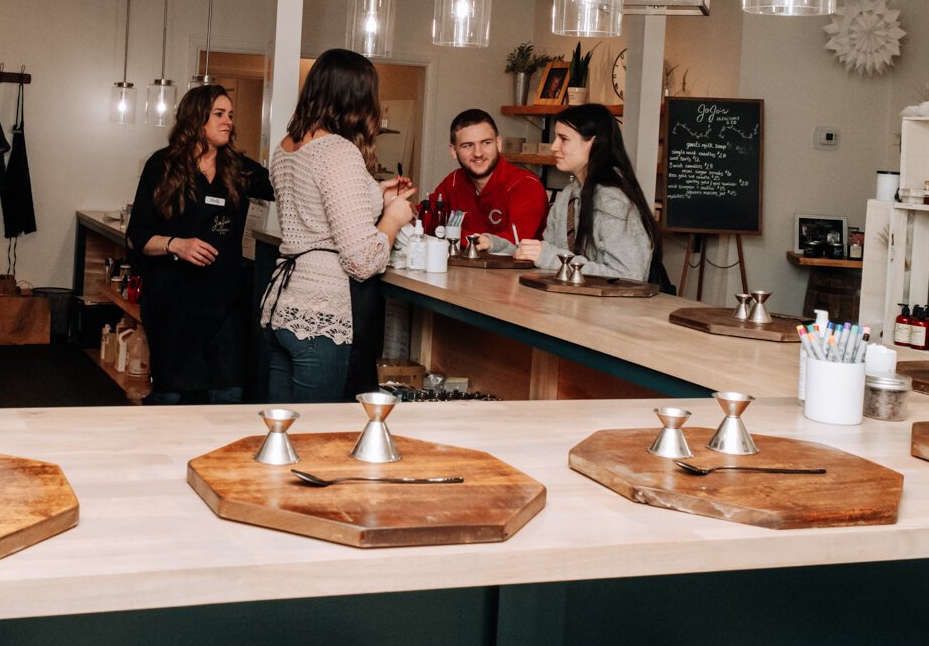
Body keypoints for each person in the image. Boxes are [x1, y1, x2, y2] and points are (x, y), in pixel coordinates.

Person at [261, 49, 414, 403]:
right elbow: (362, 261)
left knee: (284, 432)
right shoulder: (337, 151)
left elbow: (316, 207)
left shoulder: (287, 146)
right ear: (357, 97)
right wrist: (393, 217)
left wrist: (375, 193)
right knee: (320, 435)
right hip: (322, 313)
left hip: (284, 305)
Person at [127, 85, 272, 404]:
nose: (228, 122)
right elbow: (137, 235)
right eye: (218, 114)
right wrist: (176, 244)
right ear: (195, 119)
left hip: (226, 303)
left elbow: (288, 185)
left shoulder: (241, 169)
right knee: (171, 397)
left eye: (231, 115)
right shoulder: (162, 166)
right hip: (173, 302)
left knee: (230, 392)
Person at [513, 103, 658, 281]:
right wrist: (503, 247)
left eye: (563, 139)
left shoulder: (614, 200)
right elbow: (548, 251)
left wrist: (550, 257)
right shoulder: (568, 194)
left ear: (593, 142)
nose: (554, 147)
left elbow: (629, 277)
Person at [430, 108, 549, 254]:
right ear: (454, 151)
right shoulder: (453, 181)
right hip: (464, 272)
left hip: (513, 275)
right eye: (467, 145)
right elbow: (425, 221)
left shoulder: (526, 185)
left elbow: (516, 243)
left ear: (498, 143)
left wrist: (450, 235)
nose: (478, 153)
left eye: (486, 143)